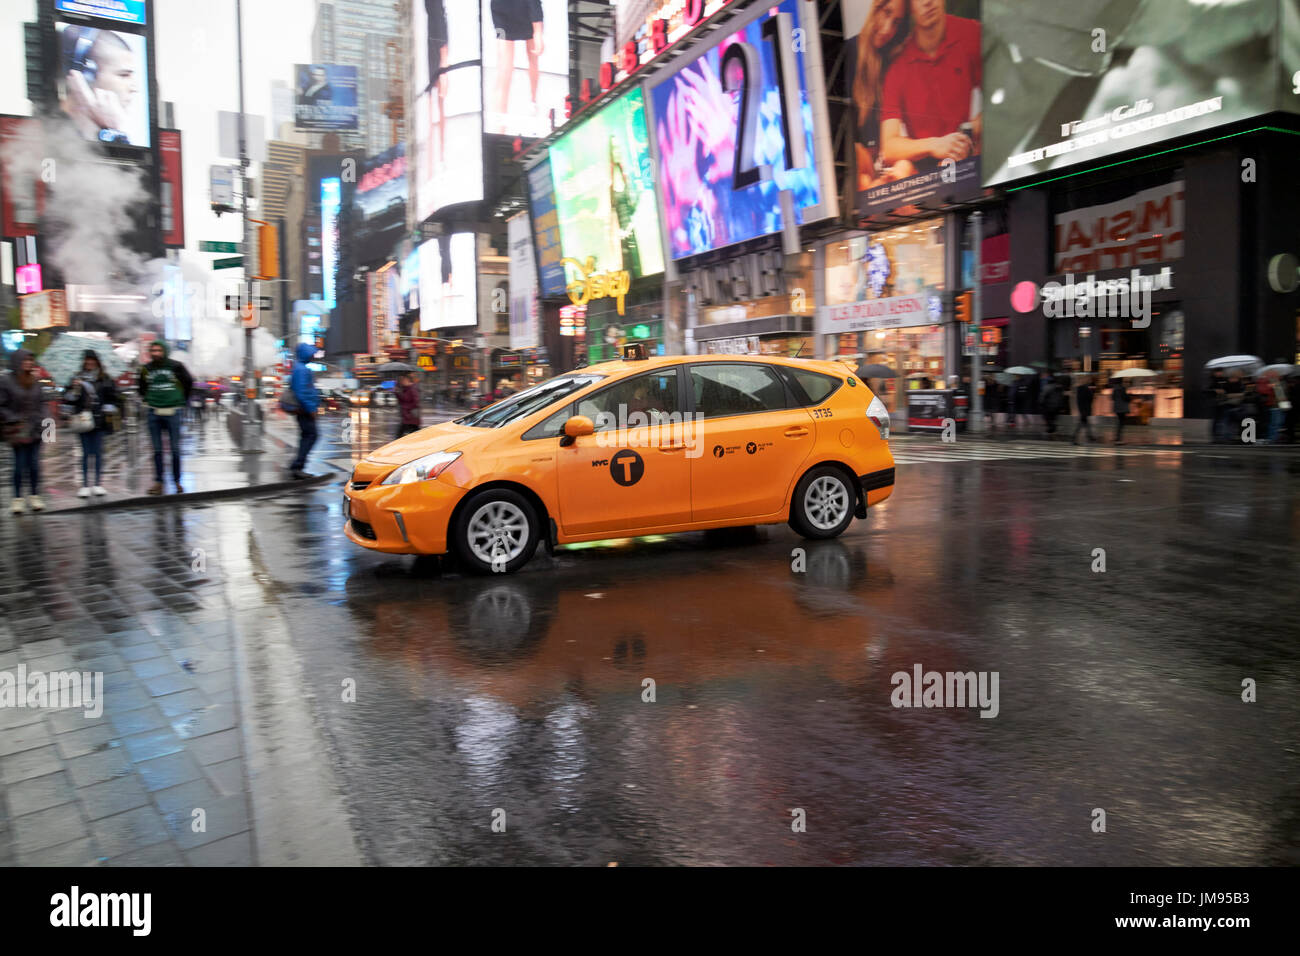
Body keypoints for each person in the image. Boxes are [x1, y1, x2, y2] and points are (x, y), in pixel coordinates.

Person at [879, 0, 981, 177]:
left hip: (969, 158)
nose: (927, 2)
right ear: (909, 7)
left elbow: (1004, 100)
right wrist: (935, 145)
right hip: (926, 174)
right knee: (901, 169)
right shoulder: (898, 67)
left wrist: (967, 135)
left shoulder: (971, 33)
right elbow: (889, 147)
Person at [853, 0, 916, 192]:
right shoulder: (849, 55)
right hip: (862, 172)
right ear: (875, 8)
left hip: (895, 166)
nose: (888, 29)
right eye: (886, 13)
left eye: (896, 22)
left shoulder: (897, 62)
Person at [61, 26, 140, 145]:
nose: (134, 88)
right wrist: (116, 132)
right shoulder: (53, 139)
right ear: (86, 77)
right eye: (124, 75)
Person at [139, 341, 192, 495]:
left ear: (165, 351)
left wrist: (181, 400)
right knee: (157, 450)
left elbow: (188, 382)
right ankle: (158, 482)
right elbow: (141, 388)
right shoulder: (146, 369)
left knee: (175, 450)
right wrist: (150, 399)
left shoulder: (176, 366)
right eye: (153, 350)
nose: (156, 353)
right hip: (153, 411)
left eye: (159, 350)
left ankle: (177, 481)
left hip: (173, 411)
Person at [64, 349, 118, 498]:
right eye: (87, 360)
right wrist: (74, 389)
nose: (89, 362)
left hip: (99, 420)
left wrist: (107, 408)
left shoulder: (105, 378)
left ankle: (98, 484)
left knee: (98, 453)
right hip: (82, 419)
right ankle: (85, 485)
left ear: (97, 361)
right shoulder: (76, 377)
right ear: (83, 361)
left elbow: (113, 397)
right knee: (85, 453)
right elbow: (68, 399)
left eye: (92, 359)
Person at [0, 349, 47, 513]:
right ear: (17, 361)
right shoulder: (6, 381)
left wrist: (45, 422)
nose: (28, 362)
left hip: (35, 430)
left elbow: (42, 404)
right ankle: (17, 499)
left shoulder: (35, 381)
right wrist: (13, 418)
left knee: (34, 465)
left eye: (30, 360)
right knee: (19, 466)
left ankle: (35, 496)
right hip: (18, 430)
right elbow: (2, 405)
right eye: (25, 360)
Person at [490, 0, 545, 134]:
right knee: (504, 69)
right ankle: (500, 124)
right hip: (502, 15)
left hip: (528, 12)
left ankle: (533, 101)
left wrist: (538, 32)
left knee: (533, 57)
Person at [287, 342, 321, 479]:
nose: (313, 356)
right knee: (311, 436)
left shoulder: (300, 368)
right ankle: (297, 466)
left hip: (304, 410)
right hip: (305, 411)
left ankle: (297, 466)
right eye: (311, 353)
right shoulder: (301, 370)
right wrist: (311, 409)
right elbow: (302, 392)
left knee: (307, 436)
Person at [396, 372, 421, 439]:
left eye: (402, 380)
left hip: (411, 417)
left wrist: (406, 408)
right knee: (415, 436)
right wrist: (397, 393)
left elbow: (416, 402)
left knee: (399, 436)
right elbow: (402, 401)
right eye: (400, 380)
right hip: (407, 417)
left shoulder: (412, 389)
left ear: (407, 380)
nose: (401, 382)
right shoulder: (405, 389)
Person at [1073, 375, 1096, 444]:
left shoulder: (1079, 389)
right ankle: (1074, 438)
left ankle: (1090, 436)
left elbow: (1078, 400)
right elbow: (1091, 397)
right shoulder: (1085, 388)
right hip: (1085, 408)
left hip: (1082, 408)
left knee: (1085, 423)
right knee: (1081, 424)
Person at [1111, 376, 1130, 444]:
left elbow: (1112, 398)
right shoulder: (1122, 388)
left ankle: (1117, 438)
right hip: (1122, 408)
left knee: (1119, 423)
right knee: (1121, 423)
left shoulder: (1115, 389)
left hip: (1117, 408)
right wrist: (1128, 395)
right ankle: (1118, 439)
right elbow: (1126, 398)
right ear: (1121, 382)